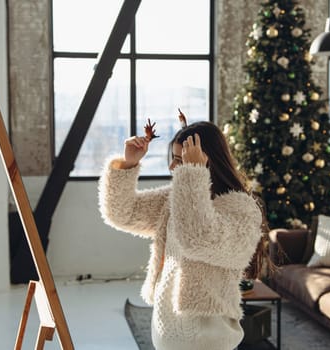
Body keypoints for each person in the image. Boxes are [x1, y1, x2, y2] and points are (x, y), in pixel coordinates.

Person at [98, 115, 264, 350]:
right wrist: (128, 164)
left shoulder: (242, 209)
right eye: (173, 158)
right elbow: (123, 213)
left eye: (180, 159)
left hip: (209, 341)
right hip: (166, 333)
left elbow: (197, 239)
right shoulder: (176, 197)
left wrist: (193, 173)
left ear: (207, 161)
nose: (172, 167)